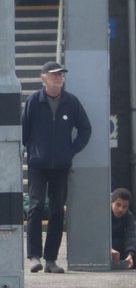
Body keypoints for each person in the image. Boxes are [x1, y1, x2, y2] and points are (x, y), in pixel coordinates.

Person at [22, 60, 92, 274]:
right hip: (38, 164)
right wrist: (32, 150)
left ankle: (51, 259)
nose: (58, 77)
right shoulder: (34, 101)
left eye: (61, 74)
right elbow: (24, 130)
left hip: (61, 166)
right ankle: (34, 256)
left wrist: (70, 151)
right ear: (43, 77)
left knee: (57, 211)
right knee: (35, 207)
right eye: (54, 74)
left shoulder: (71, 102)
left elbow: (85, 129)